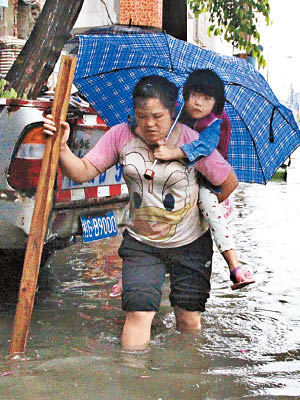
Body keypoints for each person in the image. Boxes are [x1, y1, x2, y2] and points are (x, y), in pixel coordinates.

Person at [44, 75, 237, 351]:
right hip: (142, 245)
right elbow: (83, 171)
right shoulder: (120, 135)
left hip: (191, 245)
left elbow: (229, 182)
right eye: (141, 115)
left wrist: (203, 205)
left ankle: (186, 377)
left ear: (173, 112)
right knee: (137, 313)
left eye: (158, 116)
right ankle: (134, 377)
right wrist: (61, 147)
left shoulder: (193, 142)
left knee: (188, 320)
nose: (149, 124)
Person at [154, 69, 255, 290]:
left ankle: (234, 266)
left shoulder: (215, 122)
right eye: (194, 95)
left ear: (216, 104)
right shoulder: (177, 113)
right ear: (186, 94)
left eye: (207, 98)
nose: (198, 103)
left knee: (208, 204)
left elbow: (204, 147)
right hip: (179, 172)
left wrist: (174, 152)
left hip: (207, 178)